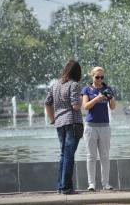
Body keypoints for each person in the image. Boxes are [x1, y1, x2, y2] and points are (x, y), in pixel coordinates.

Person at [44, 60, 83, 195]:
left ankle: (61, 187)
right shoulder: (74, 85)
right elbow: (75, 106)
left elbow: (47, 103)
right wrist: (82, 99)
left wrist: (52, 120)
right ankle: (66, 188)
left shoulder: (55, 84)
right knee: (68, 156)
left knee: (63, 154)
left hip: (60, 123)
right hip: (72, 122)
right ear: (77, 72)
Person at [81, 66, 116, 191]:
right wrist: (97, 98)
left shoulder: (108, 88)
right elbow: (85, 106)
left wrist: (110, 97)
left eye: (102, 77)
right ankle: (91, 184)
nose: (100, 79)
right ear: (92, 76)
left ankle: (105, 183)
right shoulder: (86, 89)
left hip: (105, 127)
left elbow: (112, 107)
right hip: (91, 127)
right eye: (97, 77)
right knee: (91, 156)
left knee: (105, 156)